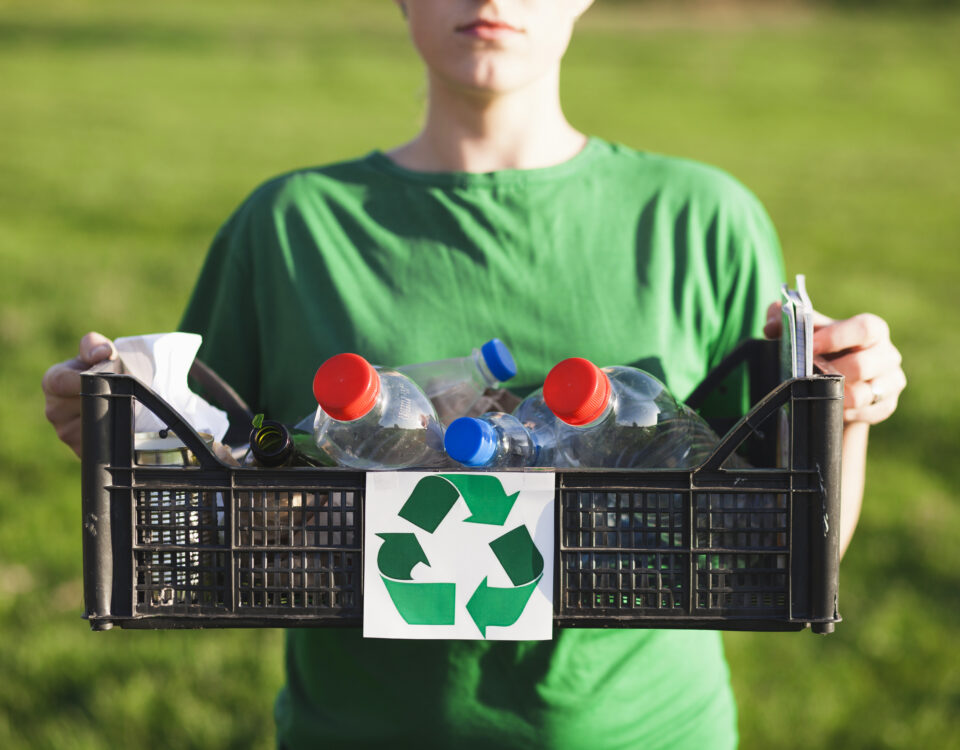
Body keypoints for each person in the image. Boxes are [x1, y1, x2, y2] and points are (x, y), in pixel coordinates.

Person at [42, 1, 906, 747]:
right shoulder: (291, 227)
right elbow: (223, 485)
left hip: (645, 731)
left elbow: (790, 543)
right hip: (359, 733)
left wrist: (846, 412)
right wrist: (126, 423)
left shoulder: (700, 220)